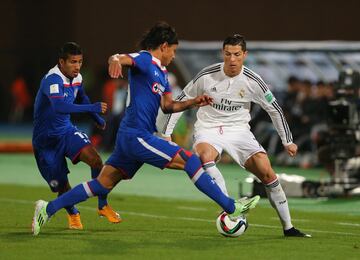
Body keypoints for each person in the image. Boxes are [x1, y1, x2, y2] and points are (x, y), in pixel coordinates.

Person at [31, 23, 260, 236]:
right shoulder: (144, 60)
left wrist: (195, 101)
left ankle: (48, 208)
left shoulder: (162, 75)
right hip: (136, 135)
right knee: (190, 160)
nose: (174, 55)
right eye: (173, 50)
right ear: (164, 46)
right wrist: (114, 59)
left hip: (131, 138)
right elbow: (122, 58)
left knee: (101, 184)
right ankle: (232, 206)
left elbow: (168, 105)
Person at [159, 34, 311, 238]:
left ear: (244, 55)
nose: (232, 59)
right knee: (205, 156)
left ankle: (289, 228)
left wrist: (287, 141)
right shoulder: (206, 75)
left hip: (238, 130)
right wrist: (166, 135)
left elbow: (274, 109)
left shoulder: (253, 81)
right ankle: (229, 207)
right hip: (209, 128)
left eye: (237, 55)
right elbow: (179, 103)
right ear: (223, 53)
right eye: (228, 54)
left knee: (267, 173)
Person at [32, 42, 121, 231]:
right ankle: (73, 214)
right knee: (61, 185)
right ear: (61, 62)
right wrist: (91, 108)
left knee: (97, 161)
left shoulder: (77, 78)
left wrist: (96, 117)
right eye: (73, 62)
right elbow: (59, 106)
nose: (77, 66)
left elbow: (82, 97)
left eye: (80, 62)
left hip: (66, 132)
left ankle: (102, 205)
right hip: (45, 142)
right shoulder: (52, 80)